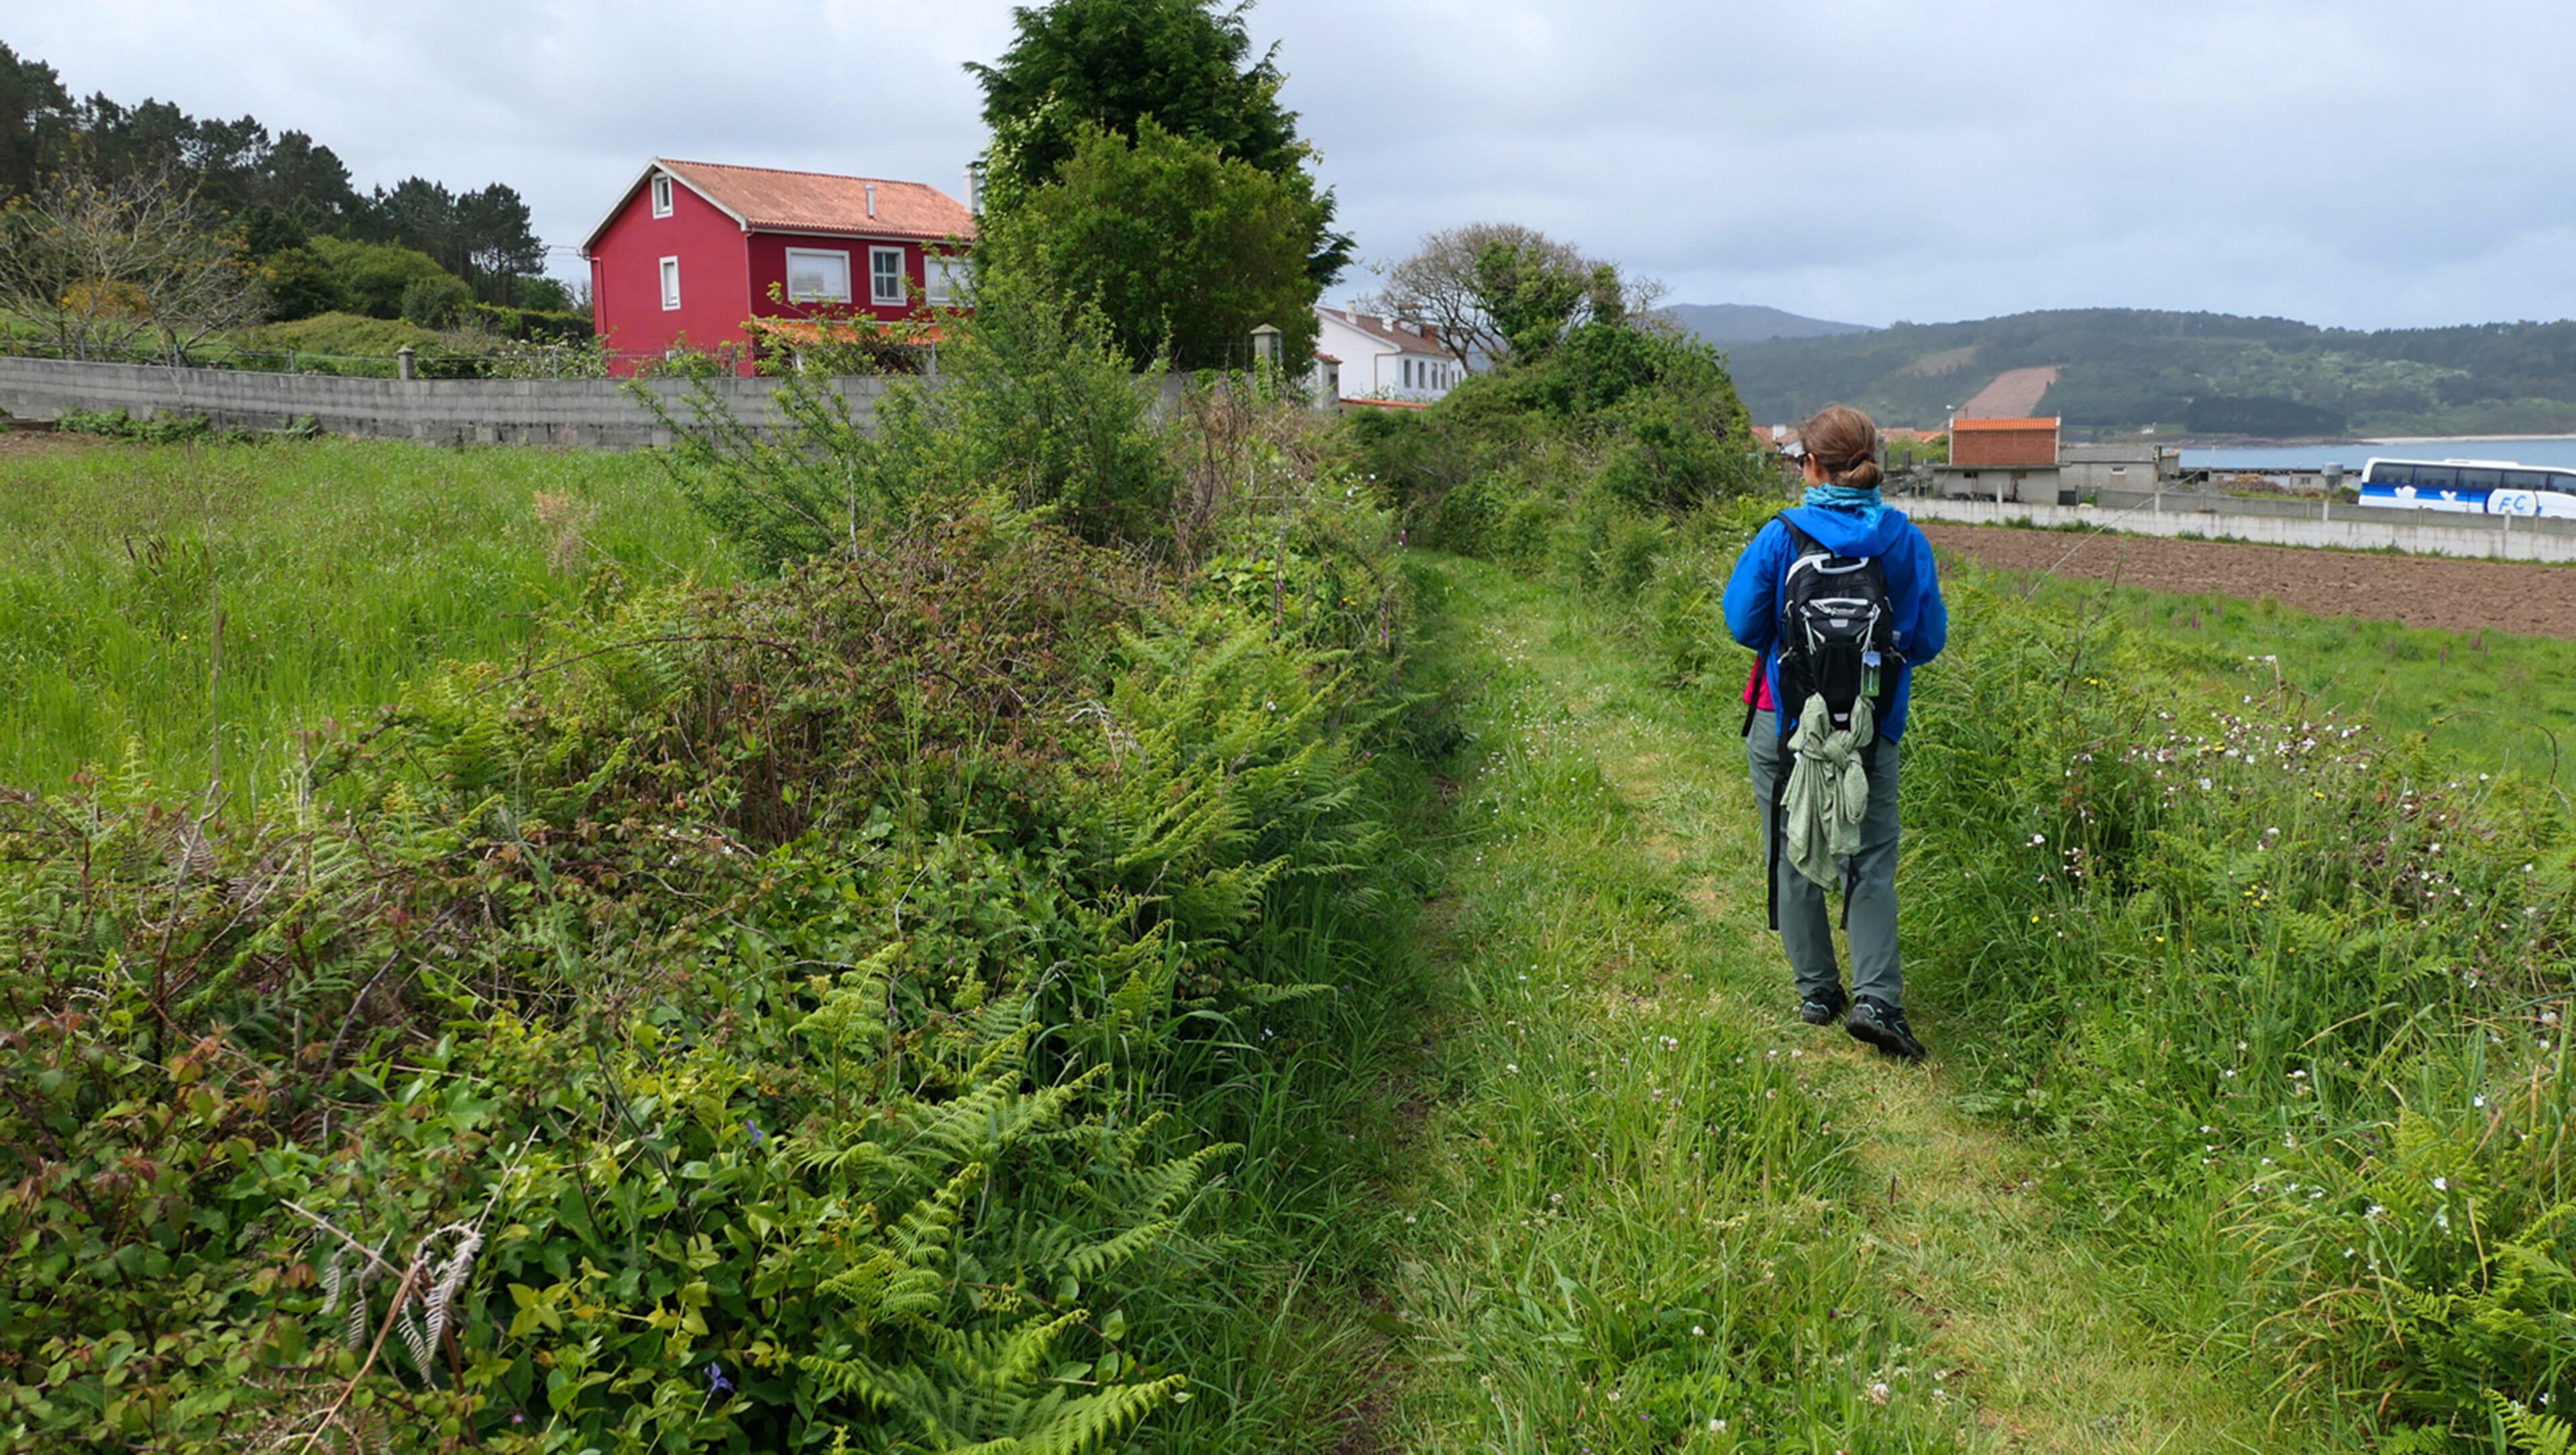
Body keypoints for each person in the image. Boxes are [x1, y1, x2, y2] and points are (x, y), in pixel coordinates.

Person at [1723, 405, 1947, 1060]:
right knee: (1870, 861)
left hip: (1785, 721)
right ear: (1874, 461)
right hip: (1871, 728)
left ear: (1812, 465)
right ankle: (1878, 997)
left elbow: (1742, 623)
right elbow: (1928, 640)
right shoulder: (1903, 540)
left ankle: (1818, 992)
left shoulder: (1780, 536)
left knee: (1794, 846)